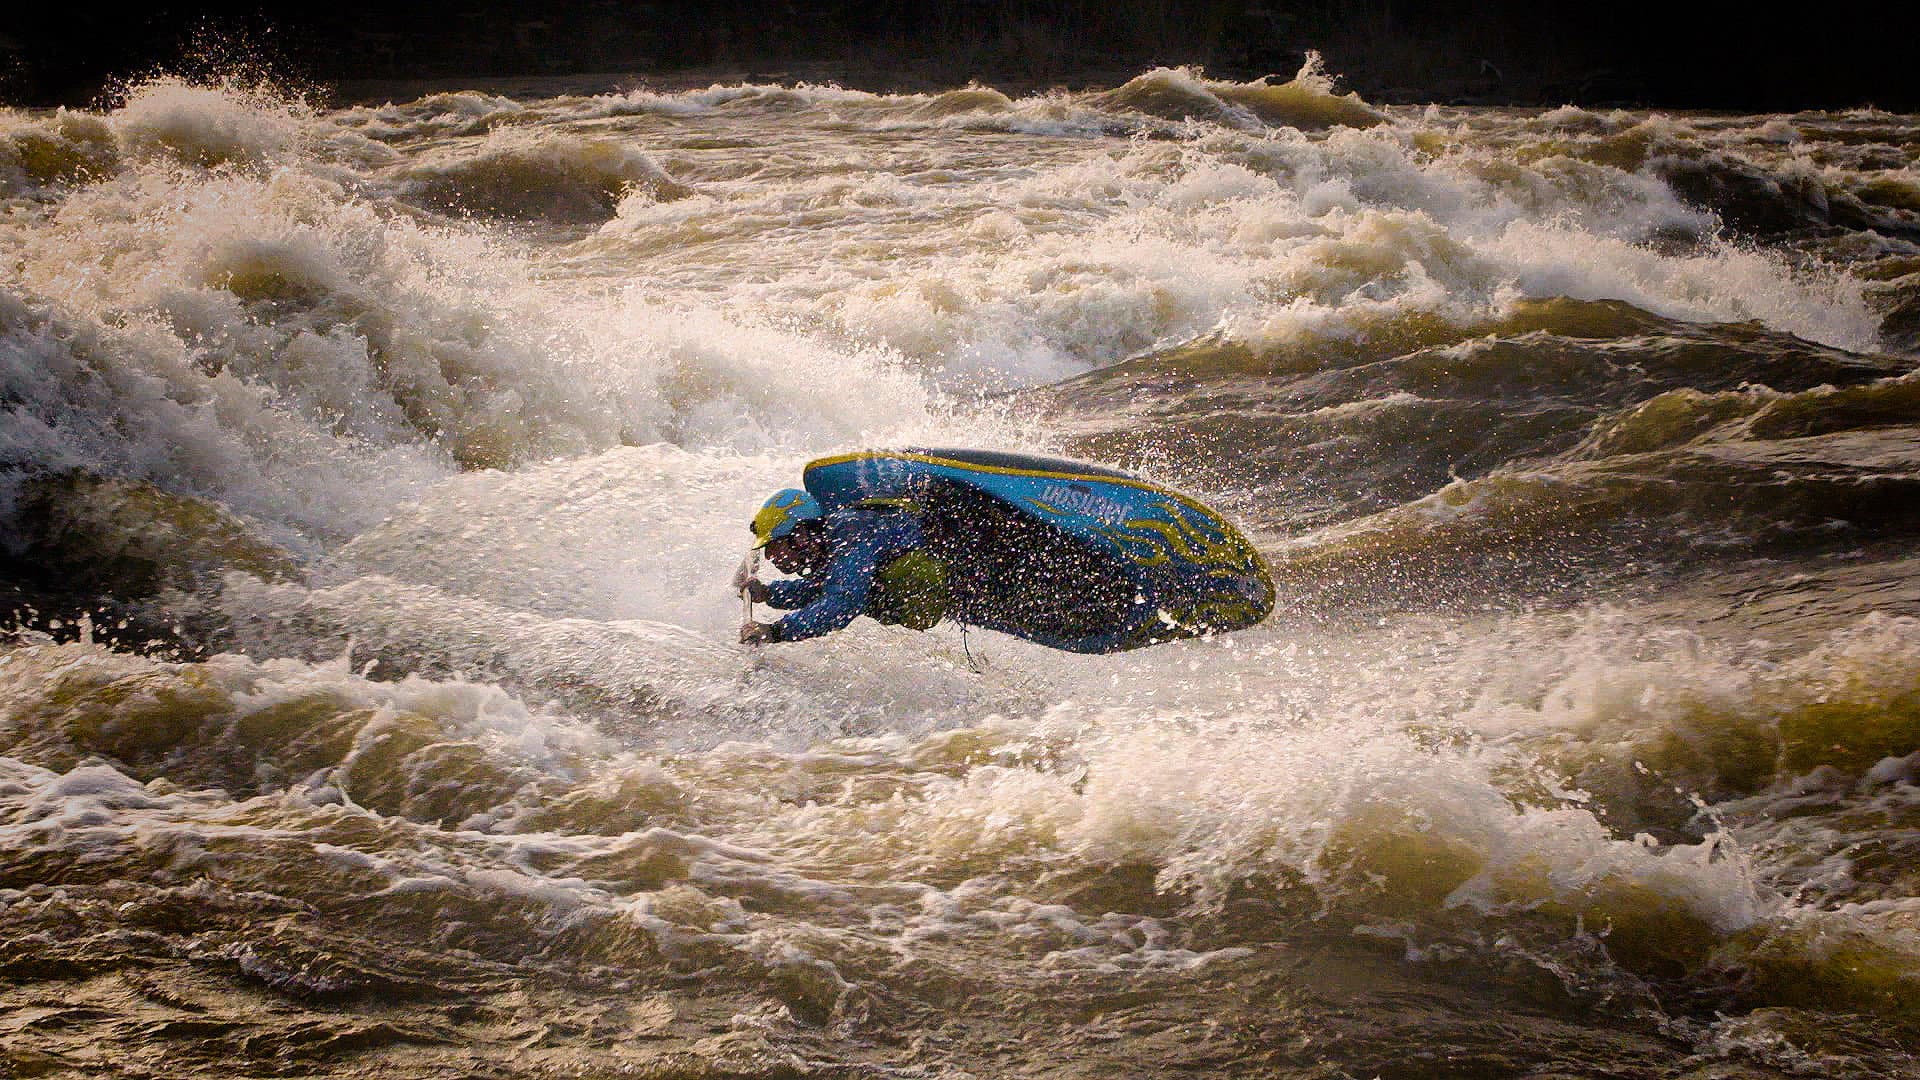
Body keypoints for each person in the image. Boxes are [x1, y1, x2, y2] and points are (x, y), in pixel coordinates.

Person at [734, 488, 951, 645]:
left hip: (953, 580)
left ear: (800, 535)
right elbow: (818, 589)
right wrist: (769, 593)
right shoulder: (829, 543)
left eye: (774, 545)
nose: (770, 556)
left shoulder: (851, 534)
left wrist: (775, 631)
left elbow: (843, 603)